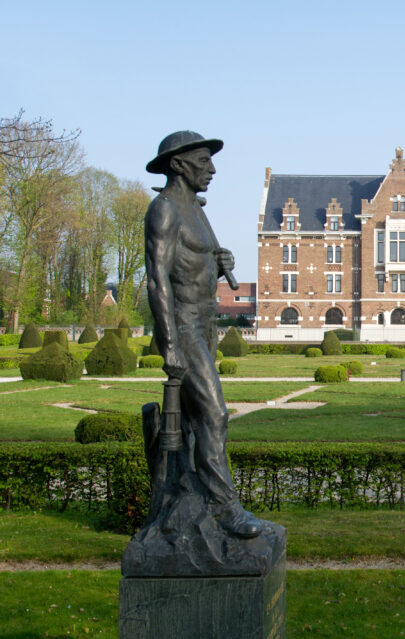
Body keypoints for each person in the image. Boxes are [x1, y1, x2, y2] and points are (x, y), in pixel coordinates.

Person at [144, 131, 260, 538]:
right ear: (178, 164)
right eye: (203, 161)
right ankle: (224, 507)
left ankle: (187, 496)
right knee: (214, 413)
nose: (211, 169)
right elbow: (157, 280)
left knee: (195, 421)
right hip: (185, 323)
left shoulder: (195, 207)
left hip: (207, 320)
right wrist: (170, 344)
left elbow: (195, 259)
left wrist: (220, 259)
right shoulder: (164, 210)